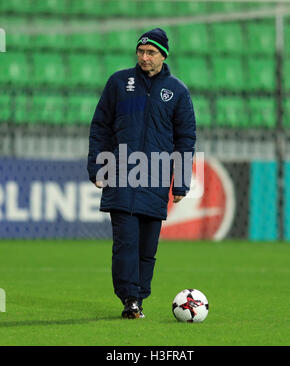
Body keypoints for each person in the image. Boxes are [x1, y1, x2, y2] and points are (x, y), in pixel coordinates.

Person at [87, 28, 196, 319]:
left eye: (151, 53)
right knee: (126, 243)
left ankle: (139, 298)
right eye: (141, 51)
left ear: (163, 56)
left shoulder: (177, 91)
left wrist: (181, 182)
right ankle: (129, 299)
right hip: (121, 174)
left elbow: (185, 139)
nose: (144, 57)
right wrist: (97, 166)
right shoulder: (118, 83)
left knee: (147, 249)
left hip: (156, 179)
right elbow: (100, 126)